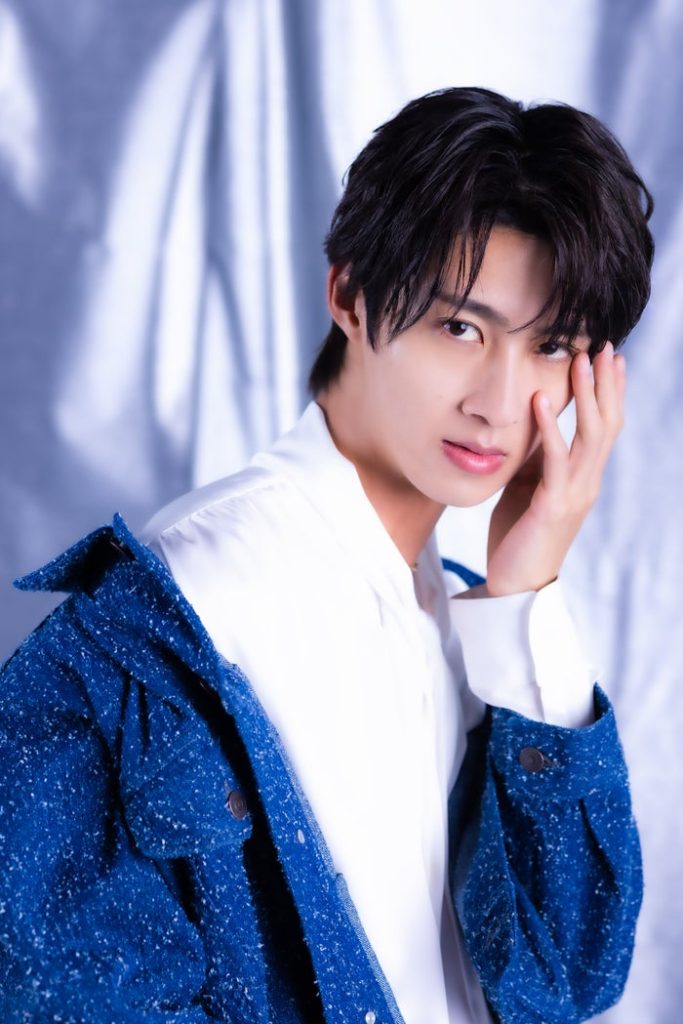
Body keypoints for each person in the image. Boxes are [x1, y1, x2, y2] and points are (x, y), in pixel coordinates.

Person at [0, 87, 653, 1023]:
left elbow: (572, 974)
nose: (498, 404)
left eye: (550, 346)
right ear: (348, 295)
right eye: (459, 328)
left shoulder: (479, 628)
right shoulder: (154, 633)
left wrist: (524, 592)